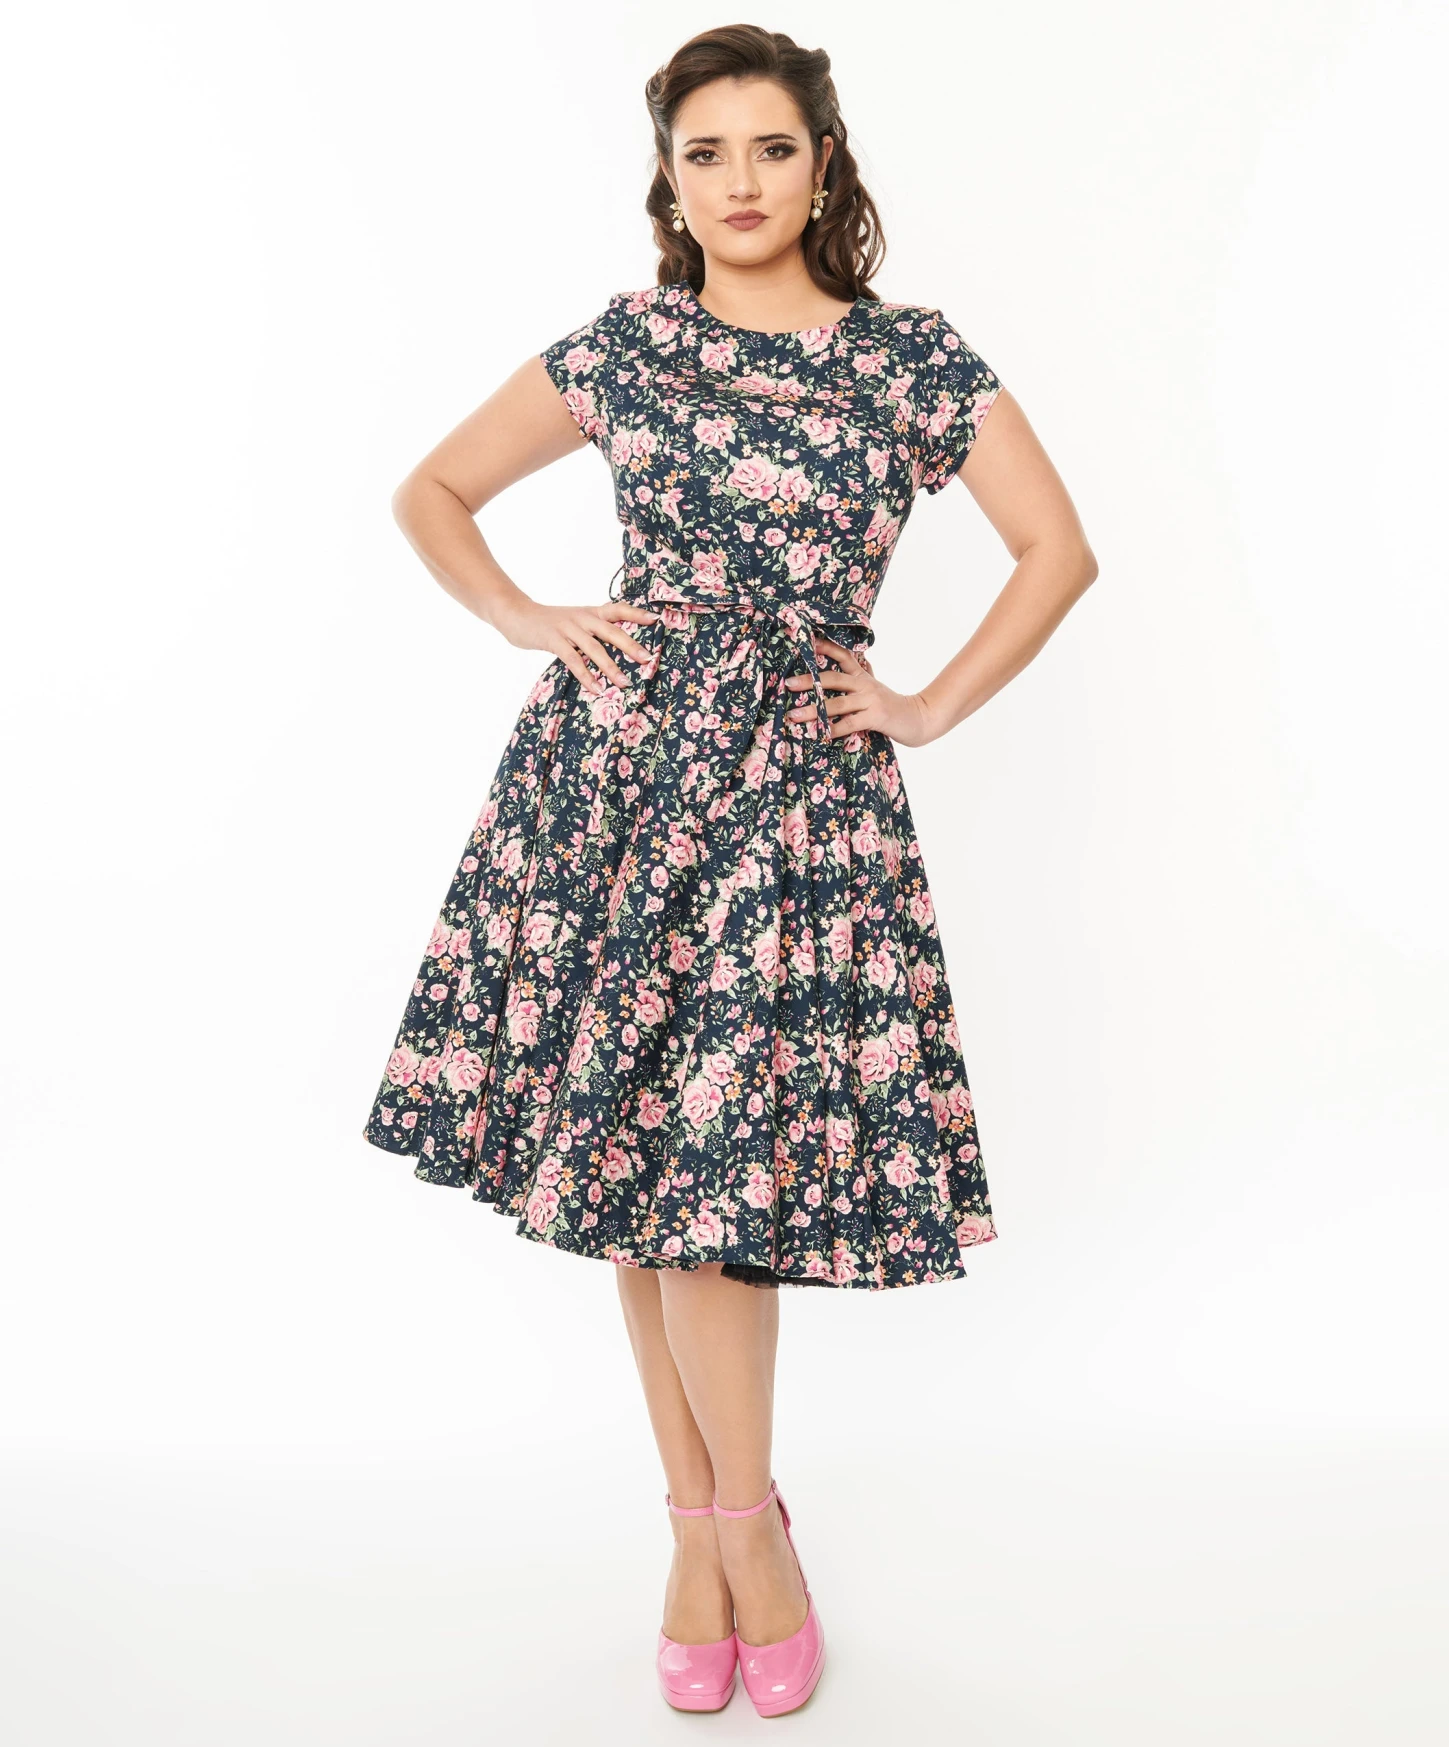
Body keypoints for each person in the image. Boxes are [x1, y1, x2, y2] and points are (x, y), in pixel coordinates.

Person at [361, 23, 1097, 1719]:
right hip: (616, 784)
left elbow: (1058, 549)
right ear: (669, 178)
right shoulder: (628, 344)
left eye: (773, 147)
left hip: (797, 802)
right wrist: (530, 617)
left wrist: (924, 704)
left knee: (718, 1189)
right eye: (706, 153)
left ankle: (742, 1531)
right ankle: (708, 1534)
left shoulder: (909, 359)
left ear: (823, 164)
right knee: (638, 1169)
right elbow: (434, 489)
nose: (741, 182)